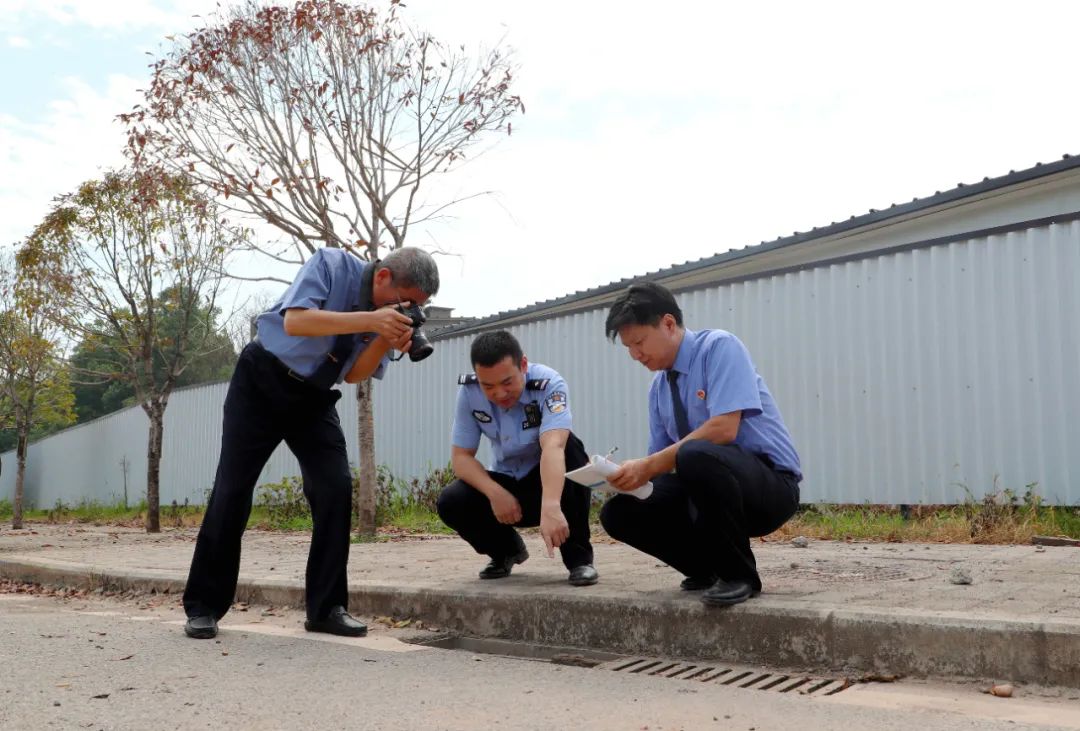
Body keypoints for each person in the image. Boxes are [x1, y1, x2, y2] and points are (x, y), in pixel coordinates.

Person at [182, 246, 439, 639]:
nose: (406, 310)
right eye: (405, 302)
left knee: (335, 487)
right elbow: (296, 321)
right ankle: (204, 607)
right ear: (384, 277)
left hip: (314, 396)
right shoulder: (331, 265)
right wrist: (372, 319)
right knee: (233, 489)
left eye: (414, 307)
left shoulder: (383, 315)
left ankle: (326, 609)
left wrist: (382, 339)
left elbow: (354, 375)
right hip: (261, 379)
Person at [601, 282, 801, 606]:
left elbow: (724, 429)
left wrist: (649, 466)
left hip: (768, 487)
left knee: (694, 453)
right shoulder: (658, 389)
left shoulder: (719, 348)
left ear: (668, 324)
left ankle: (738, 575)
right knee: (618, 512)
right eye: (628, 347)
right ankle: (705, 568)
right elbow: (660, 465)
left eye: (639, 342)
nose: (635, 355)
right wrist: (623, 476)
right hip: (707, 490)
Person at [437, 330, 599, 586]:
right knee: (451, 500)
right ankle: (506, 551)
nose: (500, 393)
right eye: (488, 386)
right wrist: (495, 493)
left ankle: (579, 560)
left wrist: (551, 505)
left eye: (507, 382)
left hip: (547, 485)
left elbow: (554, 446)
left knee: (572, 449)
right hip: (507, 491)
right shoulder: (469, 393)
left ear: (523, 365)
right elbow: (461, 458)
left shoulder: (548, 384)